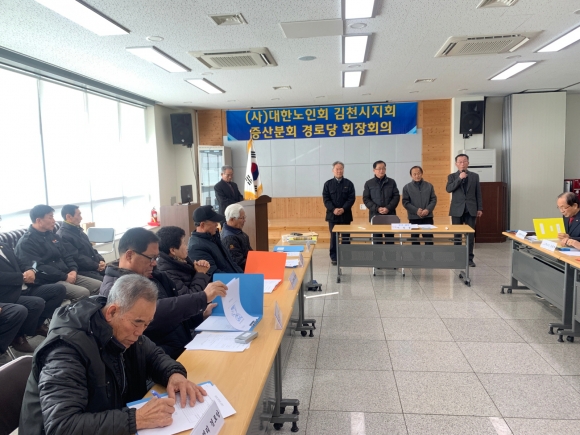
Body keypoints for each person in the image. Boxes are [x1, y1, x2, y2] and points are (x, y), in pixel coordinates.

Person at [20, 275, 208, 434]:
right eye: (137, 323)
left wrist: (173, 374)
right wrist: (137, 419)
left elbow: (154, 355)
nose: (140, 332)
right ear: (111, 312)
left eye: (147, 324)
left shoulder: (123, 329)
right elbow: (62, 426)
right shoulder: (65, 350)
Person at [100, 227, 227, 359]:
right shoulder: (115, 288)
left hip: (183, 346)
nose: (154, 263)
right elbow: (157, 312)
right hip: (161, 357)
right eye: (151, 258)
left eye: (156, 258)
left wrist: (200, 316)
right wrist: (203, 297)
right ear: (129, 255)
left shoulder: (154, 276)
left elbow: (174, 316)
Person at [14, 205, 101, 304]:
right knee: (82, 293)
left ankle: (95, 312)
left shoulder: (52, 236)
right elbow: (39, 268)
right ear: (39, 220)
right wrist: (64, 276)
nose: (54, 221)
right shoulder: (26, 243)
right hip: (50, 281)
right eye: (50, 217)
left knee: (99, 285)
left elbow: (67, 255)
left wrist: (73, 270)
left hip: (68, 274)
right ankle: (73, 313)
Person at [0, 242, 66, 352]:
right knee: (36, 303)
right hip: (9, 293)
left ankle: (37, 325)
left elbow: (19, 262)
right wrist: (21, 277)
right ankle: (18, 335)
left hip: (26, 286)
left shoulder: (3, 245)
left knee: (58, 290)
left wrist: (30, 270)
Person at [446, 153, 483, 267]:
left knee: (470, 236)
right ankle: (457, 259)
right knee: (457, 236)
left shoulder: (475, 176)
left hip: (471, 209)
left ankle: (469, 259)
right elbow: (449, 189)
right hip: (457, 209)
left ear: (468, 163)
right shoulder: (452, 176)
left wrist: (480, 208)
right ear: (456, 164)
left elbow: (478, 193)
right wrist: (459, 178)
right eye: (460, 162)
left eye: (464, 161)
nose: (462, 164)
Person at [188, 205, 243, 277]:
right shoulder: (196, 247)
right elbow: (213, 274)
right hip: (226, 282)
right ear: (202, 225)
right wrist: (238, 279)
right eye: (214, 222)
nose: (217, 224)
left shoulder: (213, 238)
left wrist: (243, 276)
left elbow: (232, 263)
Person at [57, 204, 106, 281]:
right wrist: (96, 266)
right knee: (106, 282)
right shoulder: (63, 236)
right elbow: (77, 258)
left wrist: (101, 260)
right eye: (78, 215)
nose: (81, 218)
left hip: (94, 266)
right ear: (69, 217)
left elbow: (91, 249)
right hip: (83, 270)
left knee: (118, 274)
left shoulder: (78, 230)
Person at [156, 225, 212, 294]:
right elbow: (190, 297)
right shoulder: (167, 272)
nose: (187, 247)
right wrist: (201, 273)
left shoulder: (181, 260)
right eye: (184, 243)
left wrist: (200, 268)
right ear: (173, 250)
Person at [322, 161, 356, 265]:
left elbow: (351, 198)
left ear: (343, 170)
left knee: (346, 237)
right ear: (333, 170)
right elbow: (326, 199)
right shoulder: (328, 184)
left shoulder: (349, 184)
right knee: (334, 238)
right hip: (332, 216)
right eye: (337, 169)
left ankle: (346, 257)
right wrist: (334, 209)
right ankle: (334, 257)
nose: (339, 171)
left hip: (345, 215)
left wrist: (343, 209)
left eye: (341, 169)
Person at [363, 160, 400, 244]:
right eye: (379, 168)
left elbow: (396, 197)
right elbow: (366, 199)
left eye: (383, 168)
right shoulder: (369, 183)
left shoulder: (392, 182)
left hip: (390, 215)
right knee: (377, 241)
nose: (381, 170)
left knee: (390, 241)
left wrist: (388, 208)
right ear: (374, 170)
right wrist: (377, 209)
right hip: (375, 215)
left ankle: (389, 253)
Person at [402, 166, 438, 245]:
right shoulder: (406, 188)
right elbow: (405, 202)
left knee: (428, 238)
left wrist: (427, 210)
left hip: (427, 217)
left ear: (422, 174)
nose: (417, 176)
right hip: (414, 217)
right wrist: (416, 210)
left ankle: (429, 254)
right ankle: (416, 254)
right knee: (415, 239)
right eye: (414, 174)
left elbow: (433, 200)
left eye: (418, 173)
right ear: (411, 175)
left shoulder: (429, 186)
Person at [220, 204, 253, 271]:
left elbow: (250, 252)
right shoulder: (229, 238)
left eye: (244, 217)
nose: (244, 220)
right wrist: (255, 264)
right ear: (232, 219)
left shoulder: (236, 230)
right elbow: (238, 262)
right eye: (242, 218)